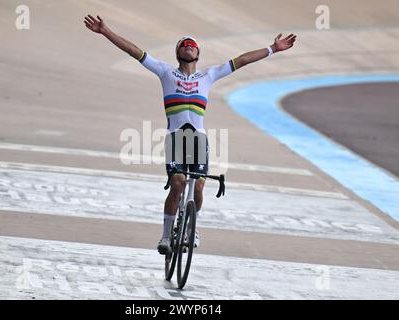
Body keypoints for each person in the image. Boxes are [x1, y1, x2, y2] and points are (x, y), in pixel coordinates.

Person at [84, 14, 296, 254]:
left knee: (198, 187)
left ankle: (192, 229)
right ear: (178, 53)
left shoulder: (209, 75)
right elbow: (134, 51)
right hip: (176, 137)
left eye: (193, 46)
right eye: (184, 45)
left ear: (198, 54)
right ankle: (165, 236)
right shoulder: (165, 72)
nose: (188, 47)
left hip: (199, 139)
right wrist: (106, 31)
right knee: (177, 183)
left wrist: (272, 49)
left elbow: (242, 60)